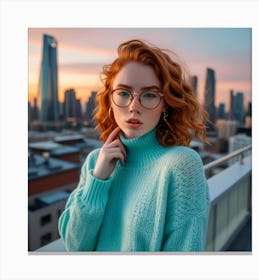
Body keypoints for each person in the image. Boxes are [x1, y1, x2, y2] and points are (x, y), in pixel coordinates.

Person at [58, 39, 210, 252]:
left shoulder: (181, 164)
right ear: (110, 99)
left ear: (165, 104)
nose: (133, 107)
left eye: (149, 95)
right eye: (123, 93)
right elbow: (75, 245)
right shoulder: (95, 161)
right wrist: (98, 180)